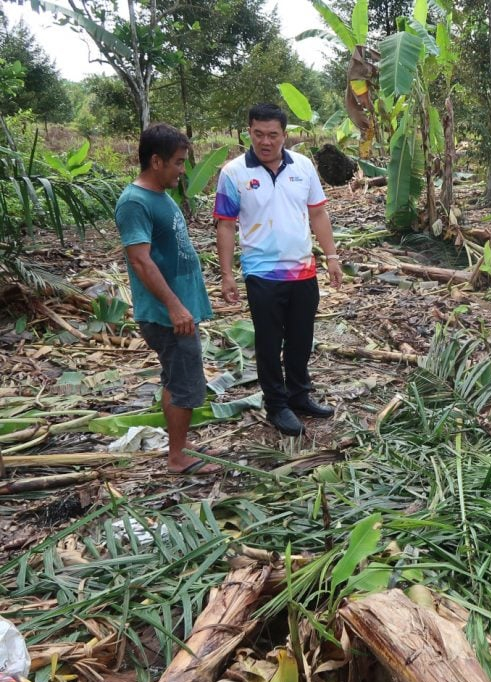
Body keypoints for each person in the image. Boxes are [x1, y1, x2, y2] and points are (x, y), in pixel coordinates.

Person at [215, 103, 343, 436]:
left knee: (301, 338)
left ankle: (299, 395)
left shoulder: (303, 166)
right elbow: (226, 225)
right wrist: (227, 274)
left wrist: (331, 257)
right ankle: (277, 404)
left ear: (285, 135)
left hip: (303, 269)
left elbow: (317, 214)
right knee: (270, 342)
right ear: (249, 132)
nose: (265, 141)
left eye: (273, 135)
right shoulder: (233, 173)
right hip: (261, 273)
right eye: (258, 134)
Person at [115, 123, 219, 474]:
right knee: (186, 383)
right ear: (156, 161)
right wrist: (174, 306)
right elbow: (140, 260)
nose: (181, 170)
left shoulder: (158, 196)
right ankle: (177, 458)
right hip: (166, 314)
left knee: (174, 378)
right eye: (177, 162)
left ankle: (180, 445)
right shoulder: (134, 202)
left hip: (177, 310)